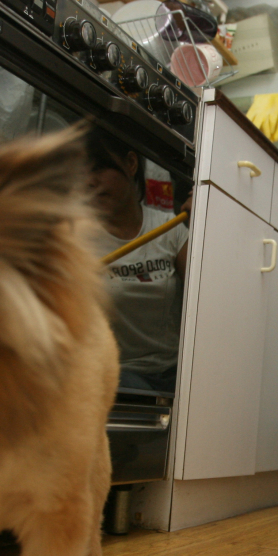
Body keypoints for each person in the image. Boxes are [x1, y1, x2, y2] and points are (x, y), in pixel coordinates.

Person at [87, 129, 191, 394]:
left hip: (176, 373)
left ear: (131, 164)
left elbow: (210, 295)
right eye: (81, 173)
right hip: (118, 377)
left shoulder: (170, 229)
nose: (89, 181)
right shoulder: (76, 240)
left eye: (98, 168)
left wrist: (213, 213)